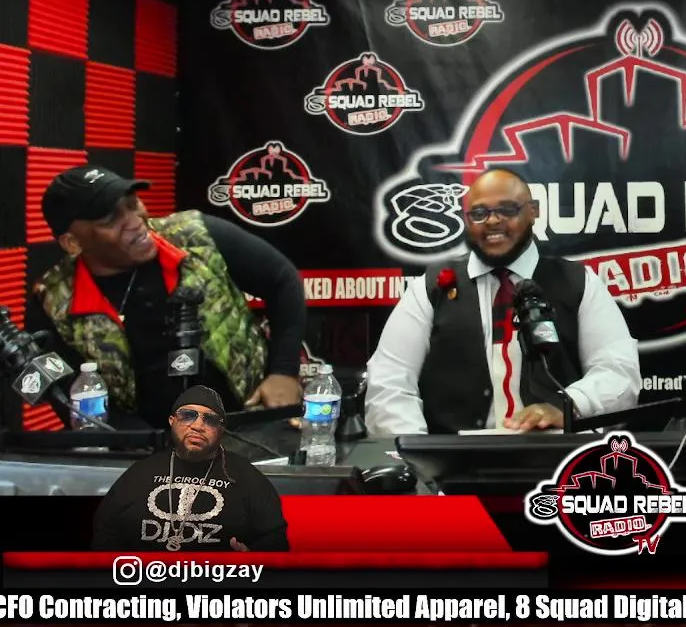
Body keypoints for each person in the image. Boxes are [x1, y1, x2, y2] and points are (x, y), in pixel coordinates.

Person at [5, 166, 307, 432]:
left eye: (132, 203)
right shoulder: (53, 301)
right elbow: (70, 399)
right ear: (72, 243)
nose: (135, 220)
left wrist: (283, 371)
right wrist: (143, 446)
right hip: (143, 449)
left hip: (248, 421)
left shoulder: (196, 235)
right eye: (111, 218)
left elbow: (283, 280)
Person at [364, 168, 641, 435]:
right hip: (454, 460)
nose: (493, 221)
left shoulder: (578, 283)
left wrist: (570, 406)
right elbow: (390, 380)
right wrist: (417, 453)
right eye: (479, 213)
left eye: (507, 210)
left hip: (555, 457)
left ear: (533, 211)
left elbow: (619, 372)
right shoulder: (431, 287)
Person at [92, 386, 289, 552]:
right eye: (188, 416)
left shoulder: (246, 477)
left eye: (210, 419)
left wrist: (252, 561)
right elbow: (105, 531)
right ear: (172, 421)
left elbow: (276, 542)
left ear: (221, 430)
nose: (198, 426)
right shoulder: (140, 472)